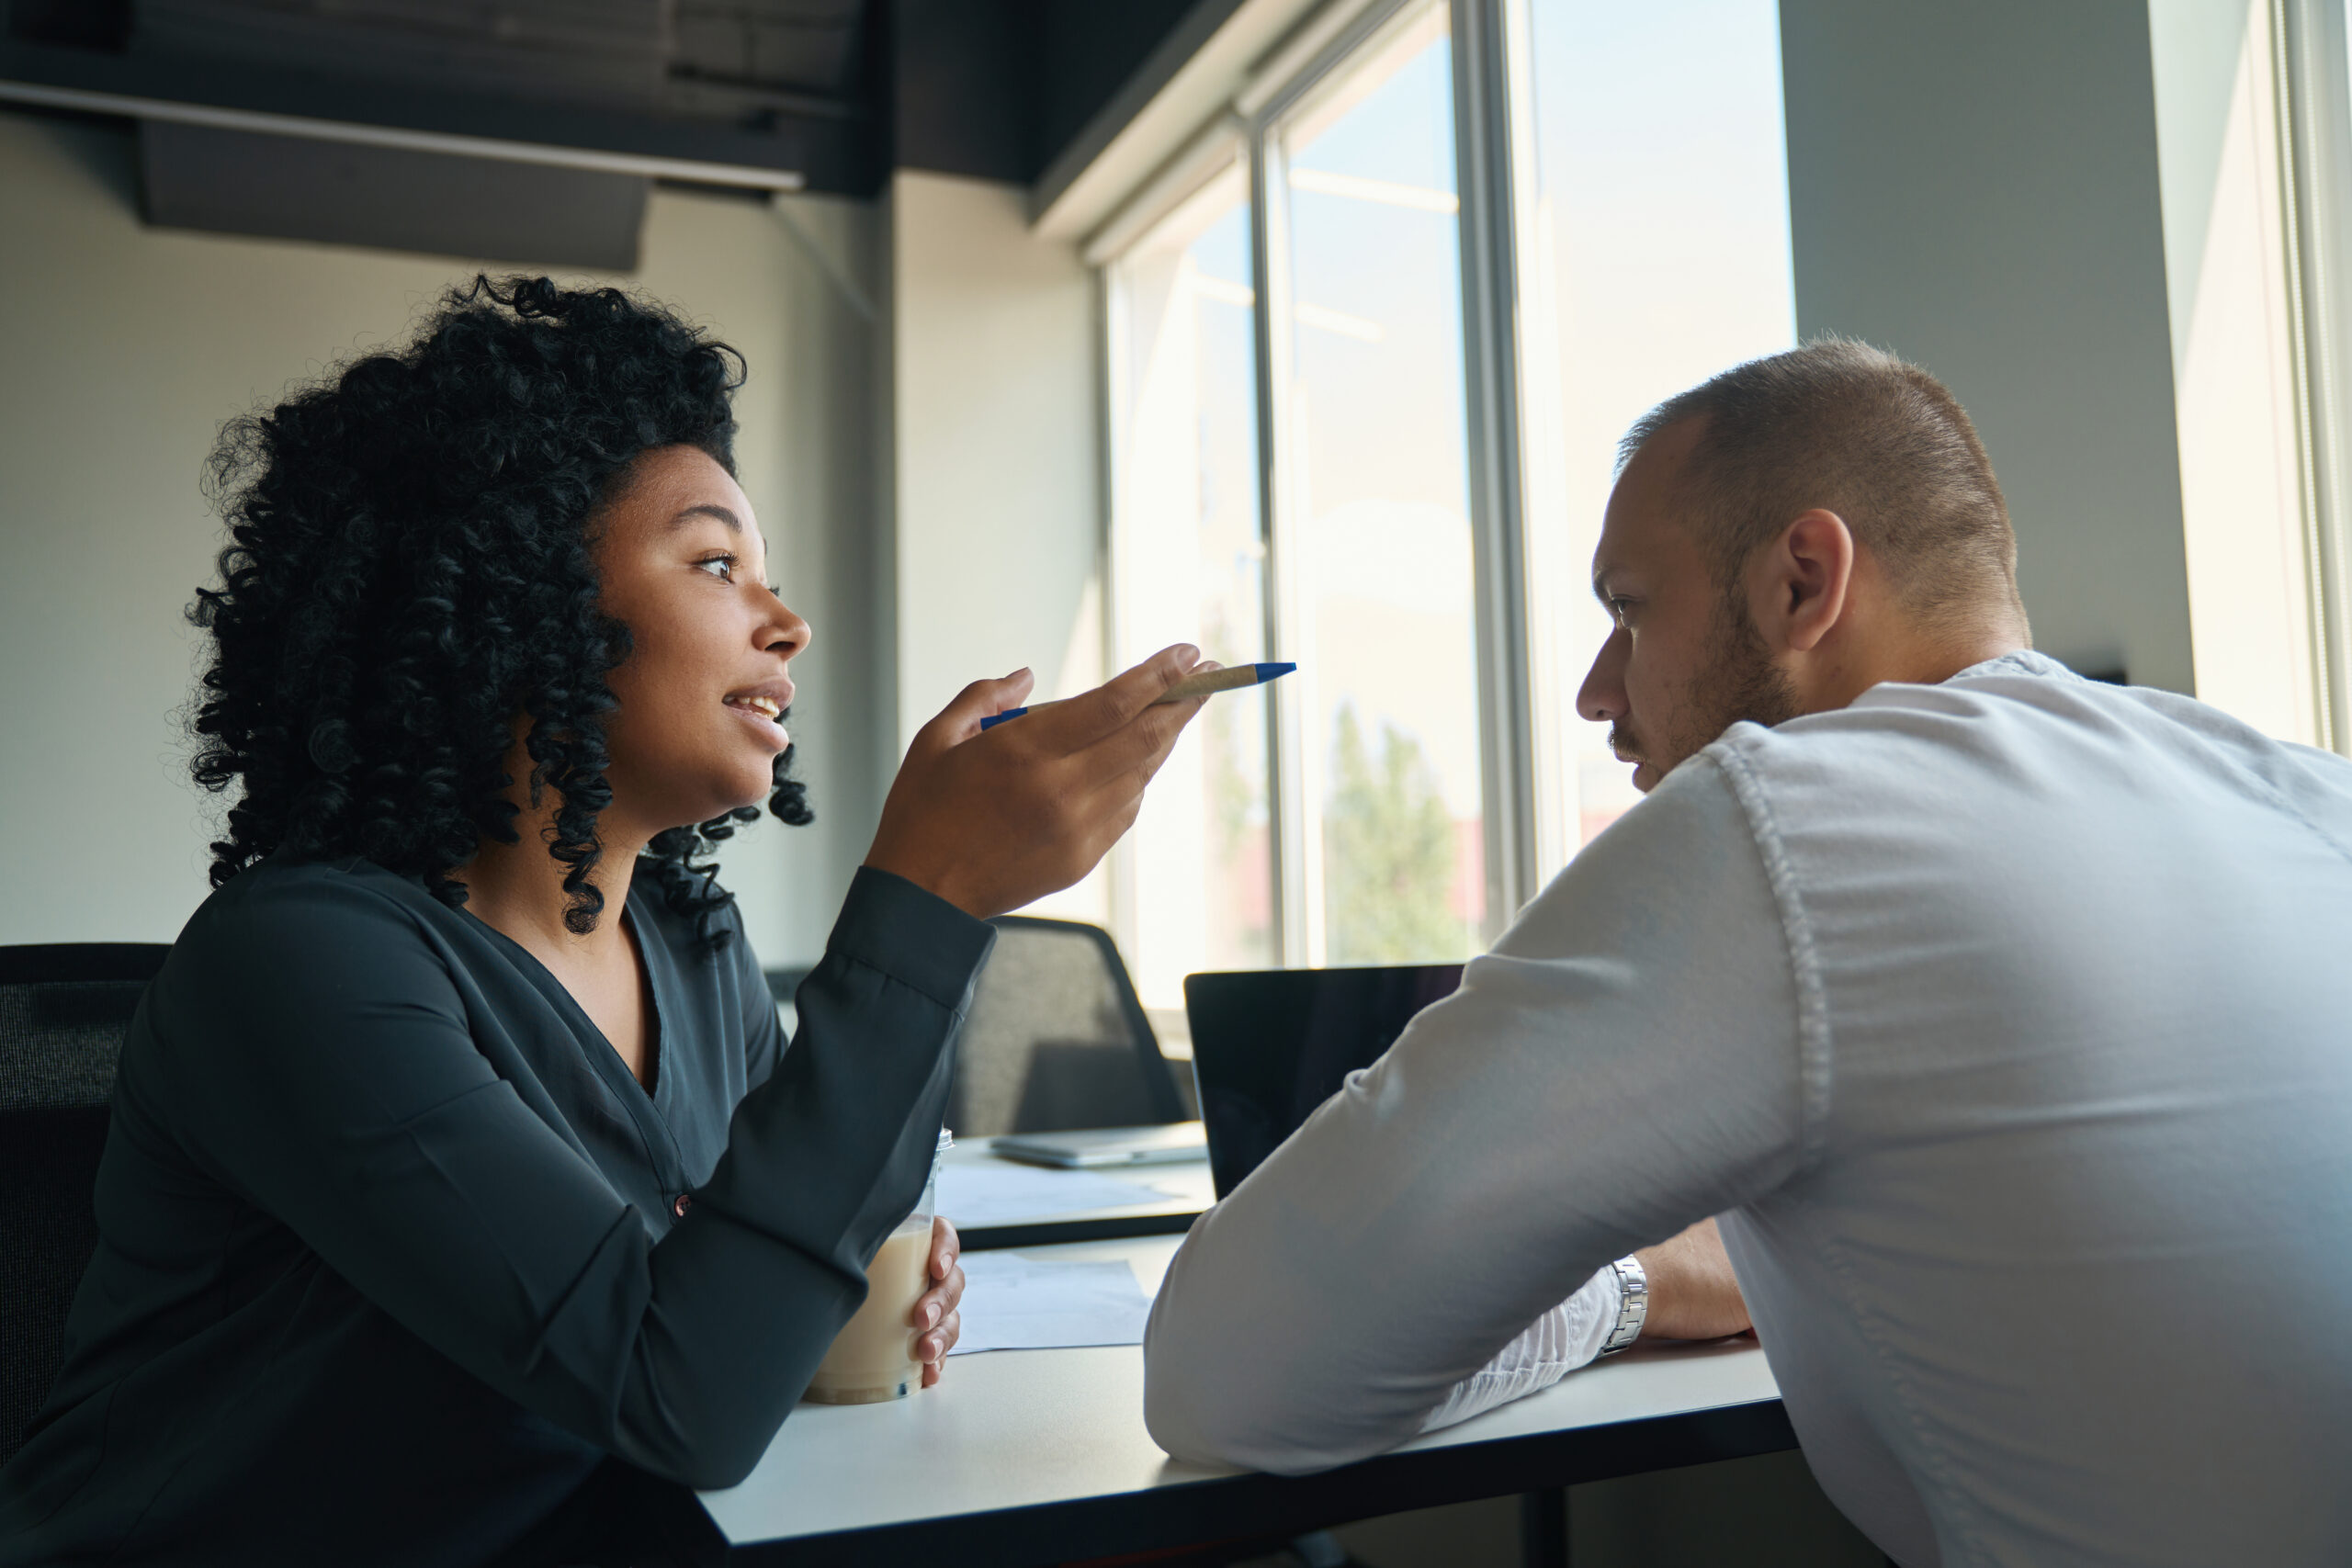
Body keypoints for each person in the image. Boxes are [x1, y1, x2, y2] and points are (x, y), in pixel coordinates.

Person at [0, 277, 1207, 1567]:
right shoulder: (296, 965)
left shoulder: (692, 946)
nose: (787, 622)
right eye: (713, 563)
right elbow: (669, 1394)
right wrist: (935, 894)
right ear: (521, 611)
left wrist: (809, 1307)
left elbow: (710, 1336)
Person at [1143, 339, 2352, 1566]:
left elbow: (1227, 1368)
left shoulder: (1784, 821)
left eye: (1628, 608)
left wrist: (1638, 1286)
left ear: (1802, 581)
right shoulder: (2307, 797)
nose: (1594, 691)